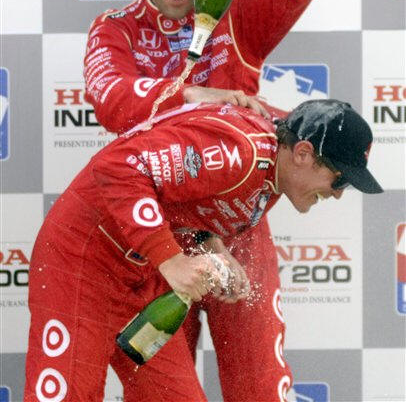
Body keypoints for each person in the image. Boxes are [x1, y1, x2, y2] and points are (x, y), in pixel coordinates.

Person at [83, 0, 323, 400]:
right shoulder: (115, 27)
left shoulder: (241, 15)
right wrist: (190, 94)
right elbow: (111, 102)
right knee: (161, 393)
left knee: (260, 384)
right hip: (156, 236)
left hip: (238, 227)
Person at [24, 99, 382, 401]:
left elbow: (181, 194)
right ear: (303, 153)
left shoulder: (274, 170)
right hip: (82, 263)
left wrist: (210, 243)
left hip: (138, 276)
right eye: (340, 179)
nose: (338, 194)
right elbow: (119, 167)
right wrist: (171, 259)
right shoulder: (240, 152)